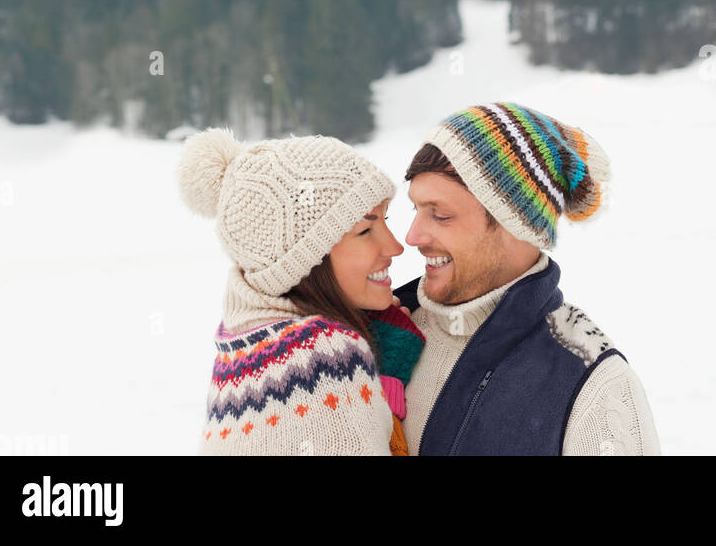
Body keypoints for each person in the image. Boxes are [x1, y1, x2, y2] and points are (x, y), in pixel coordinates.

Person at [392, 101, 662, 456]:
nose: (412, 237)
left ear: (515, 227)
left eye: (440, 215)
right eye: (416, 208)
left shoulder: (593, 384)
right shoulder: (385, 329)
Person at [177, 128, 425, 455]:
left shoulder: (243, 348)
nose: (395, 246)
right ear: (304, 260)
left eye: (386, 219)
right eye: (366, 230)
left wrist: (381, 375)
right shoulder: (323, 357)